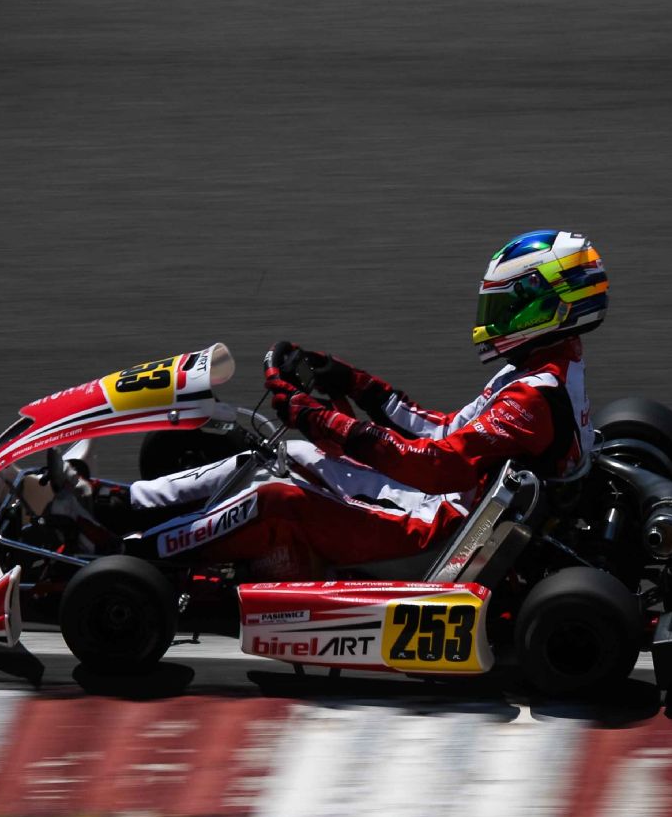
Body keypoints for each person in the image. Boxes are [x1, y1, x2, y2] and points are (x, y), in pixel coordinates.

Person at [112, 229, 608, 578]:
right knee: (287, 455)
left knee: (275, 497)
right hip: (449, 506)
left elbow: (436, 464)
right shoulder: (545, 369)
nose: (493, 320)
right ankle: (124, 504)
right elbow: (444, 432)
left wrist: (321, 419)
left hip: (439, 535)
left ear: (546, 306)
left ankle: (130, 555)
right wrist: (358, 385)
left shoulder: (533, 396)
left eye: (504, 306)